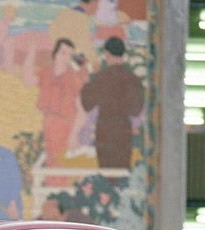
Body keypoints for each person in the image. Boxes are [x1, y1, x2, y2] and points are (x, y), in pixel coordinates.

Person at [80, 37, 144, 170]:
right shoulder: (131, 79)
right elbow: (136, 110)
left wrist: (86, 81)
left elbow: (87, 104)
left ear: (107, 54)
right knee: (122, 173)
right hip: (123, 131)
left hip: (105, 131)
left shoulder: (101, 78)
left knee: (106, 173)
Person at [36, 38, 89, 167]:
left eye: (69, 55)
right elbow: (28, 80)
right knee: (51, 164)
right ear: (55, 53)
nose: (65, 57)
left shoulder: (74, 77)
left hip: (66, 128)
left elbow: (82, 112)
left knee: (63, 167)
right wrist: (31, 52)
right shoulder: (47, 73)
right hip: (49, 127)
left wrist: (73, 135)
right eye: (63, 53)